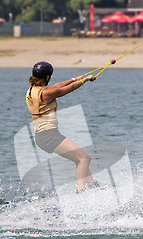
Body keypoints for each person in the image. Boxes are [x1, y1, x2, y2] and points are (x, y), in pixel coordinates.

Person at [26, 61, 99, 193]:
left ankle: (93, 186)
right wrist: (84, 81)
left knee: (79, 160)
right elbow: (63, 90)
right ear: (47, 77)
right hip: (49, 136)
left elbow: (56, 86)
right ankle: (81, 192)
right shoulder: (46, 93)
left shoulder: (32, 90)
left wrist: (74, 79)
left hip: (41, 136)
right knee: (85, 158)